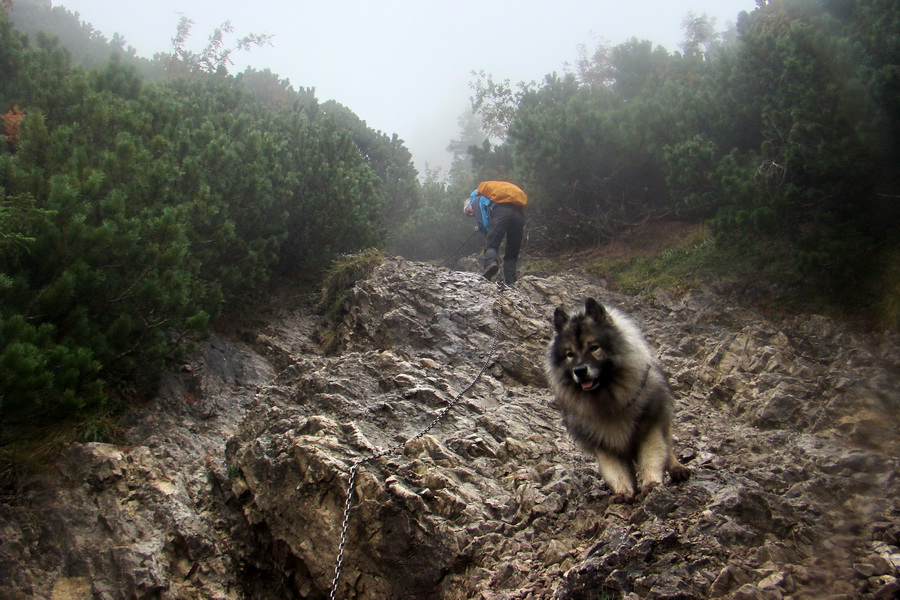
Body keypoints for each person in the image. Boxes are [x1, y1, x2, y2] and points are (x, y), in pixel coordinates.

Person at [463, 180, 527, 285]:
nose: (471, 214)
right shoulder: (489, 198)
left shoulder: (476, 200)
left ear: (469, 205)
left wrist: (480, 229)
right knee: (512, 250)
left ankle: (490, 264)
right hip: (518, 214)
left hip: (501, 211)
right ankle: (511, 280)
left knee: (491, 244)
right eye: (469, 215)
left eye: (469, 212)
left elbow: (484, 224)